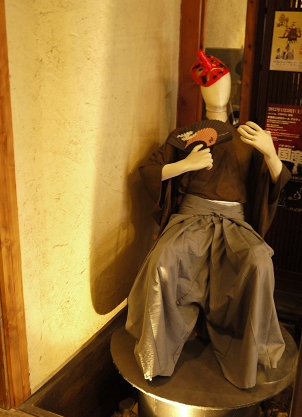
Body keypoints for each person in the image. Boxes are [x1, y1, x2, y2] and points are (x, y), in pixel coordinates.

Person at [125, 50, 291, 389]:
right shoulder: (185, 135)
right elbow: (149, 171)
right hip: (191, 218)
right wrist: (184, 165)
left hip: (234, 223)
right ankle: (158, 355)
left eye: (222, 83)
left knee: (259, 261)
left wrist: (270, 152)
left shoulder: (248, 137)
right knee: (163, 261)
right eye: (210, 85)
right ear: (200, 92)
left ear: (233, 87)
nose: (216, 90)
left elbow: (273, 182)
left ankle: (244, 354)